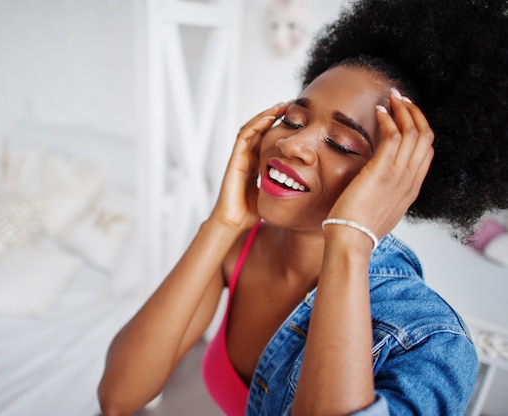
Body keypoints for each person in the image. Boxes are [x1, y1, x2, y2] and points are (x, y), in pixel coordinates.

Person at [98, 0, 508, 414]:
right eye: (294, 120)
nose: (292, 144)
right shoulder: (242, 245)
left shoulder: (428, 340)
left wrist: (350, 239)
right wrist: (223, 222)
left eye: (342, 144)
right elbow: (118, 397)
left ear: (398, 180)